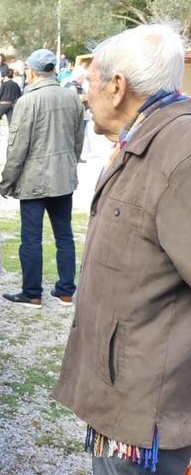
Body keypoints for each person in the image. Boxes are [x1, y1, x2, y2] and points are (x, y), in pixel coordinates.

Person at [53, 24, 191, 475]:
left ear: (117, 87)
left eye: (88, 84)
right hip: (127, 395)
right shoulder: (147, 139)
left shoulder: (180, 152)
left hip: (150, 405)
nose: (83, 95)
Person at [0, 49, 85, 308]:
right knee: (65, 236)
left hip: (35, 181)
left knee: (32, 239)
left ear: (32, 72)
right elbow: (77, 142)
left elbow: (17, 148)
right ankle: (66, 290)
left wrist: (7, 181)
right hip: (62, 178)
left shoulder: (28, 101)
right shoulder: (72, 98)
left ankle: (32, 292)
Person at [0, 69, 22, 136]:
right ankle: (12, 134)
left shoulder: (4, 84)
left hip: (2, 104)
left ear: (5, 75)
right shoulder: (16, 84)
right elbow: (19, 95)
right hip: (11, 104)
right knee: (11, 121)